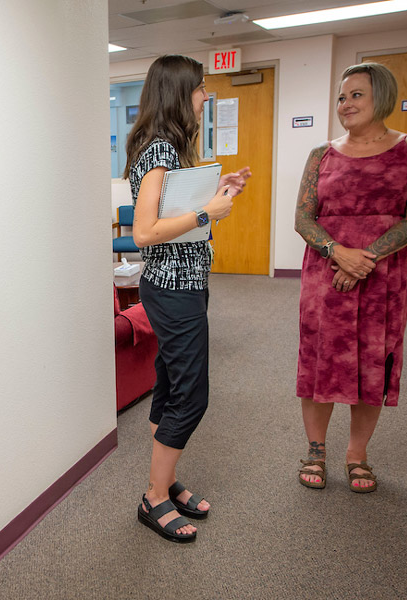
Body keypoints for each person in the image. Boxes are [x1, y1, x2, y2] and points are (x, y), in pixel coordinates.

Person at [125, 54, 251, 543]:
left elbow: (175, 211)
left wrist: (217, 194)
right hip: (172, 288)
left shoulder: (170, 149)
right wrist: (207, 213)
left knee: (172, 386)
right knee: (191, 396)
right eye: (200, 89)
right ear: (181, 93)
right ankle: (153, 500)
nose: (204, 97)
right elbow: (144, 233)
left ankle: (163, 480)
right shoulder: (158, 151)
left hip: (187, 284)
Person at [294, 63, 407, 493]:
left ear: (382, 98)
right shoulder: (322, 153)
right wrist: (338, 253)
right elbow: (303, 217)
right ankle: (316, 450)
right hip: (325, 272)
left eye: (356, 95)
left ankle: (357, 454)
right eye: (341, 97)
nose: (346, 104)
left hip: (382, 277)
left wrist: (366, 258)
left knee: (372, 364)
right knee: (320, 359)